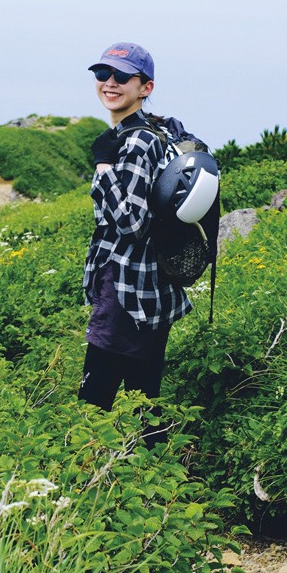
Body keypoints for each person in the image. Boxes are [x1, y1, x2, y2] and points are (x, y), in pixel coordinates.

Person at [78, 42, 201, 448]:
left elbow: (131, 223)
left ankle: (79, 475)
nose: (109, 83)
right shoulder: (161, 131)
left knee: (92, 402)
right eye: (102, 75)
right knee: (145, 393)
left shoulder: (135, 141)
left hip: (126, 285)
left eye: (122, 77)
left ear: (145, 87)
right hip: (155, 285)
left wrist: (102, 168)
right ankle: (158, 475)